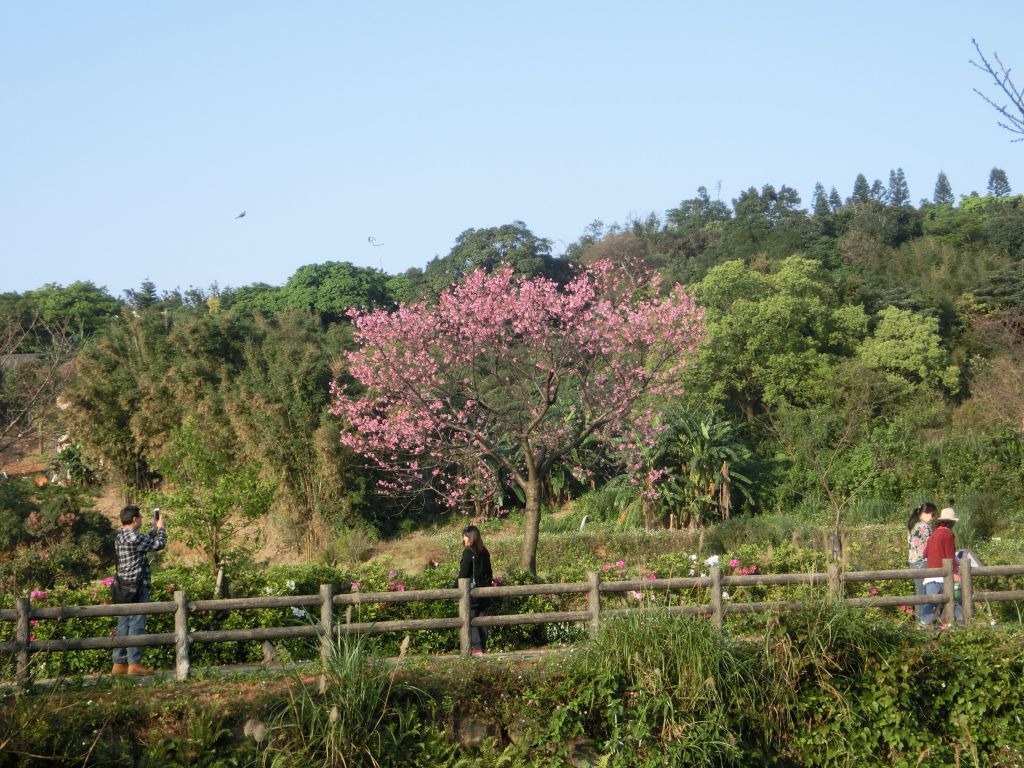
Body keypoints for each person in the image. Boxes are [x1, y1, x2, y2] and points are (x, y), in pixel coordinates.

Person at [111, 505, 167, 676]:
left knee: (123, 626)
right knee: (136, 624)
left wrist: (153, 529)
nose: (141, 519)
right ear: (135, 519)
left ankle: (119, 664)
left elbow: (144, 542)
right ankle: (134, 663)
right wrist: (161, 529)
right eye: (140, 517)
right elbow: (159, 544)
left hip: (123, 587)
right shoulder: (135, 537)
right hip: (137, 586)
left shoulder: (120, 536)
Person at [922, 507, 962, 628]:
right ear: (952, 522)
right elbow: (949, 555)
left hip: (931, 573)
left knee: (931, 601)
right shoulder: (948, 534)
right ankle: (960, 622)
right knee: (953, 599)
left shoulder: (934, 534)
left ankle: (924, 624)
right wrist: (955, 572)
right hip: (943, 573)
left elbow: (925, 553)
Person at [458, 525, 493, 656]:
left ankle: (476, 648)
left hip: (472, 592)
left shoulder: (468, 552)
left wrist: (452, 588)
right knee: (482, 619)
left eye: (465, 536)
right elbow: (489, 573)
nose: (464, 538)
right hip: (484, 591)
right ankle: (483, 648)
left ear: (471, 537)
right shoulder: (484, 551)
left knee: (470, 619)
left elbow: (463, 574)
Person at [906, 502, 937, 626]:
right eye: (931, 514)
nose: (933, 517)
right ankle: (922, 622)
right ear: (924, 513)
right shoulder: (923, 527)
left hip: (913, 562)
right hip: (922, 562)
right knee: (924, 593)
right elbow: (931, 546)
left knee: (919, 592)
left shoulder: (913, 525)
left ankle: (920, 621)